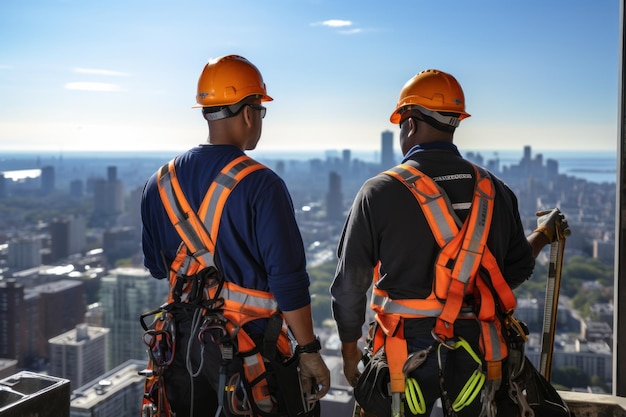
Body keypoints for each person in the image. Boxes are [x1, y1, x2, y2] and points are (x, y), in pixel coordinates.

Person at [330, 68, 569, 417]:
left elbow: (351, 286)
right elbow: (513, 270)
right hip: (481, 349)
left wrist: (350, 352)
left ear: (409, 123)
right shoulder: (496, 191)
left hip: (405, 352)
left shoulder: (379, 192)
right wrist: (541, 236)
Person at [141, 54, 330, 417]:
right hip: (250, 353)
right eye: (261, 110)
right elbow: (288, 281)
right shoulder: (262, 185)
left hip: (180, 351)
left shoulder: (158, 183)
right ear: (249, 112)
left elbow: (156, 267)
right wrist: (308, 352)